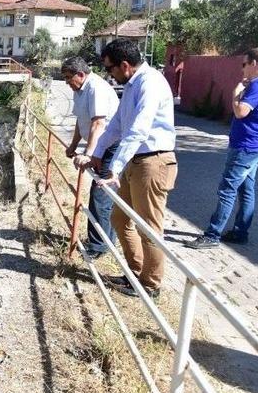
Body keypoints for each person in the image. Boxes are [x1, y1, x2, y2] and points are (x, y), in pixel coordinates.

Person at [78, 39, 177, 298]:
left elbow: (138, 129)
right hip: (137, 161)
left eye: (110, 69)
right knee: (120, 219)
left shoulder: (150, 83)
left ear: (124, 65)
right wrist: (97, 154)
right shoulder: (132, 85)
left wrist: (114, 167)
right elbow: (117, 126)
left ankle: (150, 285)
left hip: (153, 162)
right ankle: (135, 271)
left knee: (149, 227)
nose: (109, 75)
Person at [186, 48, 258, 249]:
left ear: (254, 63)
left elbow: (240, 112)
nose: (242, 68)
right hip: (257, 146)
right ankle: (240, 232)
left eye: (244, 64)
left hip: (245, 148)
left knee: (227, 189)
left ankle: (212, 235)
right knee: (246, 190)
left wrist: (235, 93)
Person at [61, 57, 120, 260]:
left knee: (101, 197)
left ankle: (100, 246)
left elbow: (98, 124)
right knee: (101, 196)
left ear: (81, 74)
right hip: (99, 148)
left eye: (69, 78)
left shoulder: (96, 89)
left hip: (111, 148)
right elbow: (82, 121)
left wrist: (88, 155)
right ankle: (105, 241)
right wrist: (73, 145)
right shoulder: (80, 90)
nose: (67, 82)